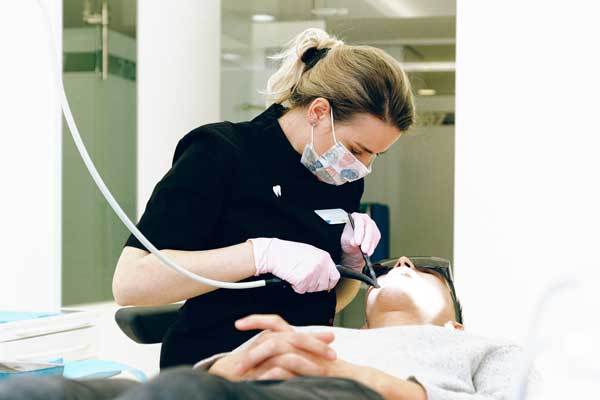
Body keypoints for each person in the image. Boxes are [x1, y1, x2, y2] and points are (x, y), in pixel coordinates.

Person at [112, 27, 416, 368]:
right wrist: (259, 255)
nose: (363, 167)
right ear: (318, 112)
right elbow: (131, 283)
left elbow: (328, 301)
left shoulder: (339, 176)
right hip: (212, 370)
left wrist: (349, 266)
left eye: (376, 155)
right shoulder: (220, 152)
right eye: (358, 150)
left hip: (296, 368)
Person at [0, 257, 532, 400]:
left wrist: (364, 380)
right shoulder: (322, 335)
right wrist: (228, 366)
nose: (403, 264)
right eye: (395, 267)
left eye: (421, 272)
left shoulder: (485, 348)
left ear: (456, 324)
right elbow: (208, 380)